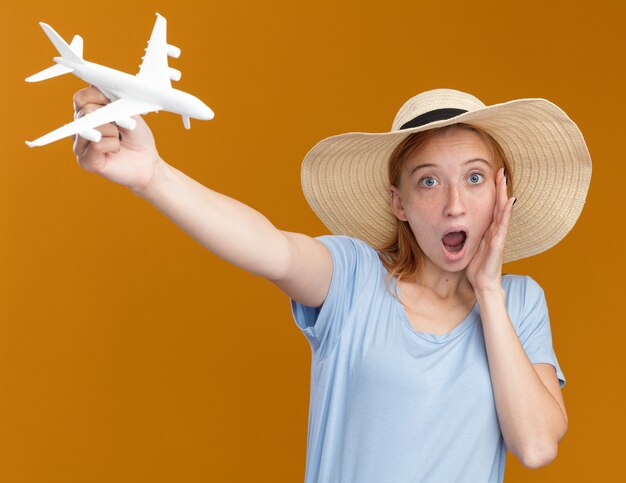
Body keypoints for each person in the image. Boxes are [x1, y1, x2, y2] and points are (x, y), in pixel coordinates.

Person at [71, 87, 591, 482]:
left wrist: (489, 291)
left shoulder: (519, 302)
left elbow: (538, 445)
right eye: (429, 181)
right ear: (400, 204)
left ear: (503, 195)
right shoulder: (356, 278)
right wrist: (152, 176)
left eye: (475, 178)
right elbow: (269, 247)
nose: (454, 204)